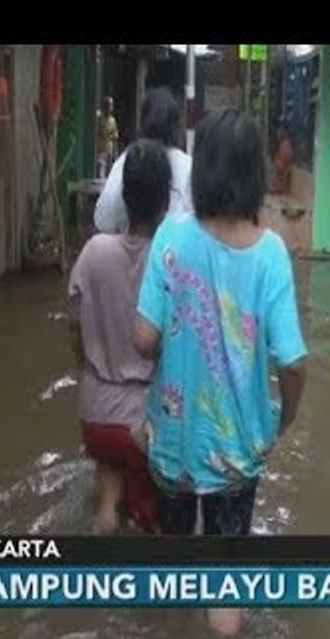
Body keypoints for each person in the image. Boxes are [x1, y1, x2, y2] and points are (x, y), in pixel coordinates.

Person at [134, 109, 308, 636]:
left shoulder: (171, 238)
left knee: (175, 560)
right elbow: (294, 361)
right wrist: (286, 417)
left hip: (175, 443)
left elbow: (143, 342)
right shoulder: (272, 254)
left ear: (202, 172)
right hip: (238, 448)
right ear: (255, 174)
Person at [68, 139, 173, 535]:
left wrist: (90, 368)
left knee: (110, 462)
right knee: (152, 521)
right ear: (165, 202)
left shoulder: (93, 251)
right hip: (142, 427)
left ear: (124, 198)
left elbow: (74, 326)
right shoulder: (168, 262)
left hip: (93, 417)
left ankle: (107, 509)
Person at [94, 87, 193, 234]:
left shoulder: (128, 159)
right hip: (178, 254)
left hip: (132, 251)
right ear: (176, 126)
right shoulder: (188, 167)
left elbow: (103, 220)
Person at [97, 96, 119, 178]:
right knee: (101, 172)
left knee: (109, 174)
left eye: (111, 105)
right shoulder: (99, 118)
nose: (111, 108)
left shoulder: (112, 120)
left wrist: (115, 153)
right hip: (100, 150)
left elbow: (115, 137)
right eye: (109, 105)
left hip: (109, 150)